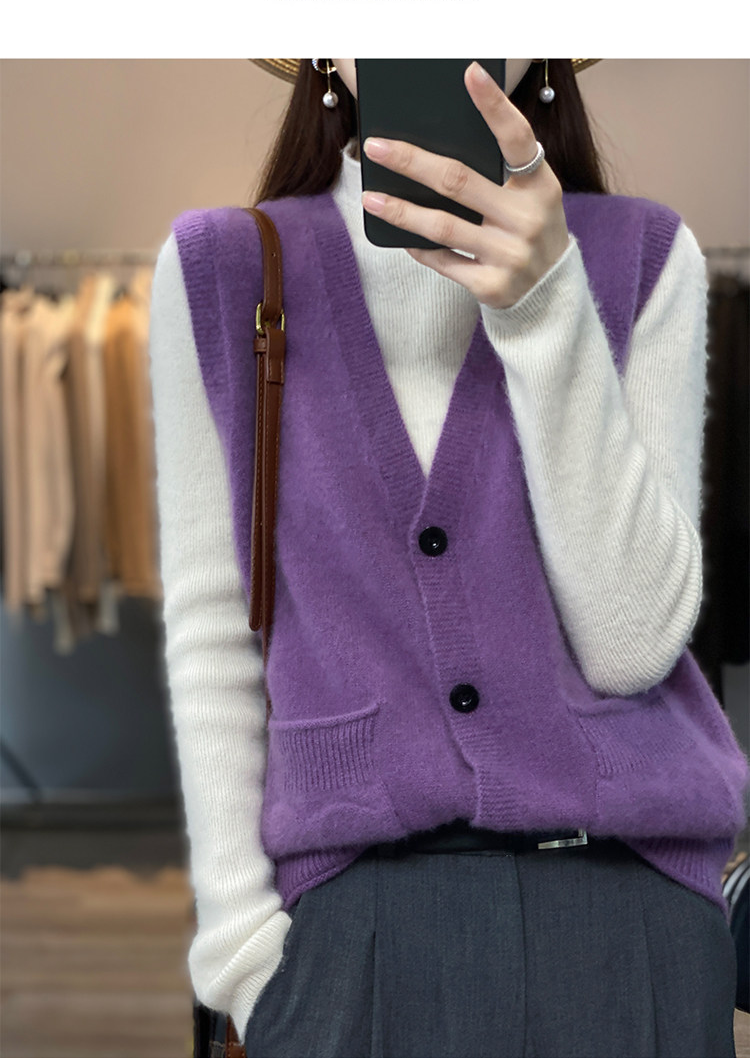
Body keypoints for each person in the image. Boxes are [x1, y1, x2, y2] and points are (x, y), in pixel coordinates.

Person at [148, 59, 748, 1058]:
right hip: (354, 932)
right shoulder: (222, 269)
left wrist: (547, 308)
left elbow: (632, 644)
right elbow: (214, 623)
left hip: (630, 922)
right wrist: (247, 958)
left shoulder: (644, 255)